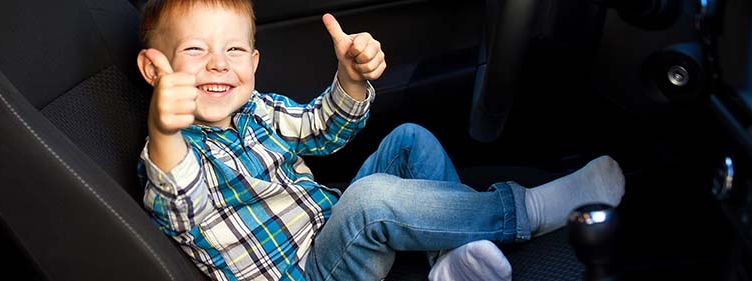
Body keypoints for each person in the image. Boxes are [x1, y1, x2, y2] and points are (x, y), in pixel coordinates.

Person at [135, 0, 626, 280]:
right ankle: (527, 212)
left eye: (234, 49)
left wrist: (349, 78)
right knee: (370, 201)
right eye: (195, 50)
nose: (219, 63)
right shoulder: (174, 154)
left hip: (332, 235)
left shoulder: (257, 109)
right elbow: (178, 202)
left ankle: (450, 262)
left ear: (255, 63)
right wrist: (165, 128)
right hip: (308, 276)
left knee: (410, 140)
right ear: (152, 68)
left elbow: (321, 131)